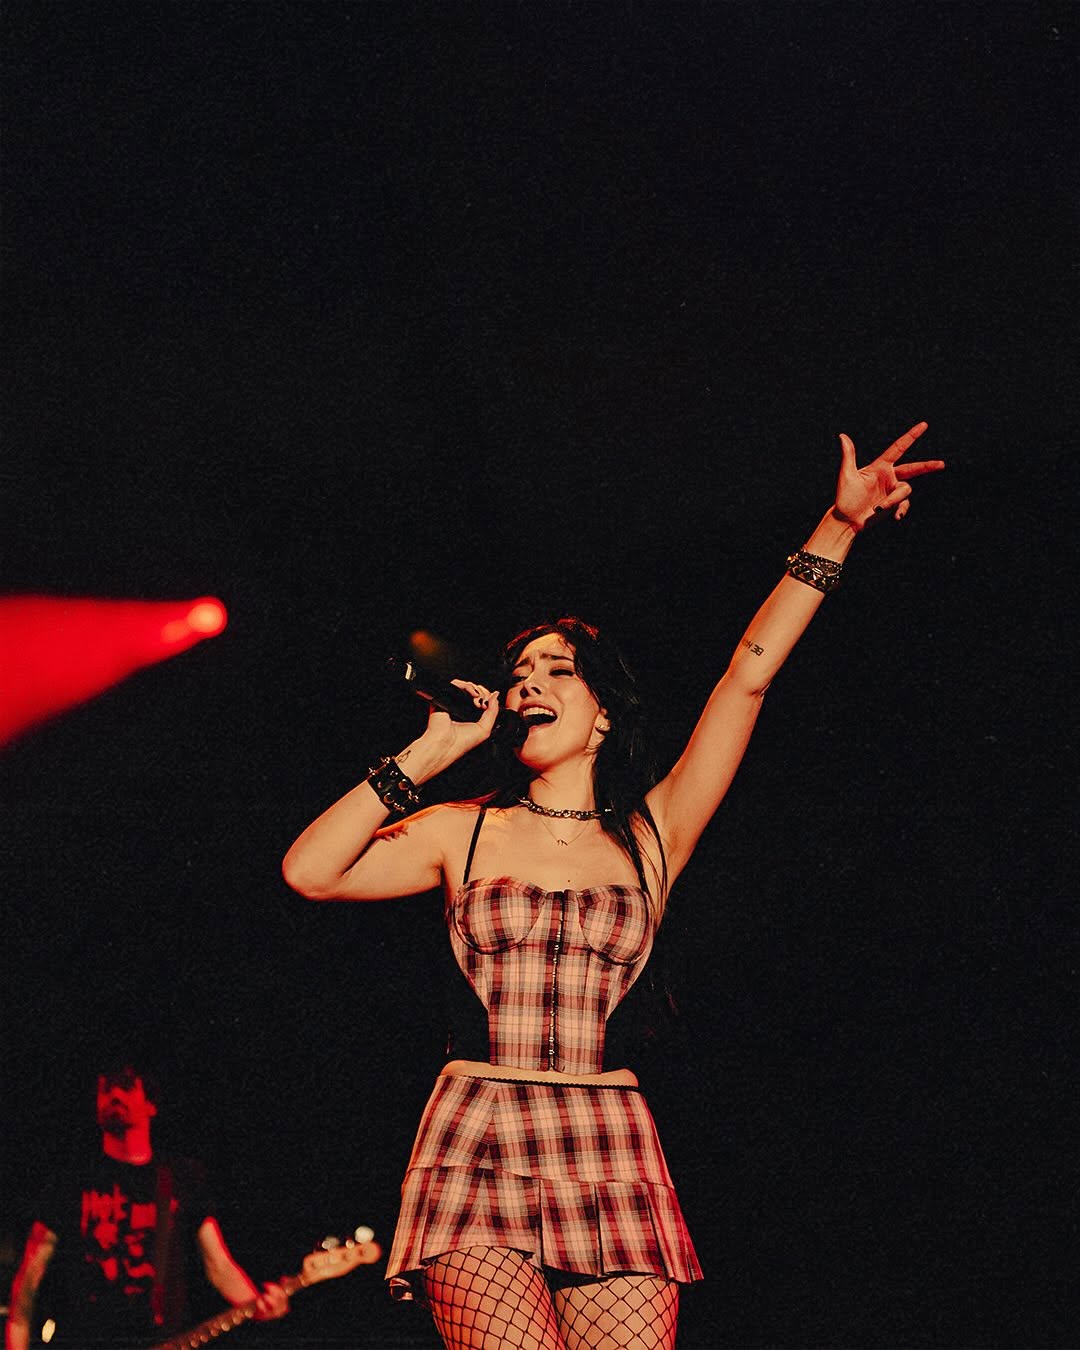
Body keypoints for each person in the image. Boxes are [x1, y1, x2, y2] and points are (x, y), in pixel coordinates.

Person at [282, 423, 944, 1350]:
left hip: (609, 1137)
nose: (530, 684)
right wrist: (431, 752)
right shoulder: (461, 830)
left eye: (559, 670)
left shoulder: (651, 835)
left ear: (601, 715)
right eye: (520, 673)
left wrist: (838, 526)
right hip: (479, 1131)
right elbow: (310, 871)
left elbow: (745, 681)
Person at [5, 1061, 290, 1349]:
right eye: (106, 1089)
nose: (114, 1095)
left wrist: (258, 1303)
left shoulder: (181, 1178)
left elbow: (219, 1266)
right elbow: (28, 1283)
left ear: (151, 1105)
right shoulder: (70, 1183)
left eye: (126, 1087)